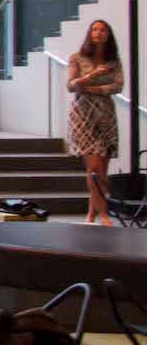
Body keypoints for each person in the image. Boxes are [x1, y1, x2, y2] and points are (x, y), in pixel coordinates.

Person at [67, 19, 123, 226]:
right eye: (95, 29)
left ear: (108, 35)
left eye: (103, 30)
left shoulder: (113, 61)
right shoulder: (77, 58)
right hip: (83, 115)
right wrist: (93, 76)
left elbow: (118, 86)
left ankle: (91, 215)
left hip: (106, 114)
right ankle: (105, 215)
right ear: (90, 34)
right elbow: (71, 86)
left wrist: (92, 89)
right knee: (94, 169)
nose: (98, 33)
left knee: (103, 169)